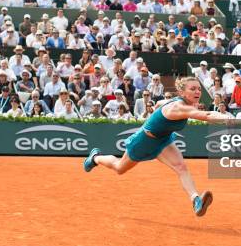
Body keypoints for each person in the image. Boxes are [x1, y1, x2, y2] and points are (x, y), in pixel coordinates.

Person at [83, 77, 233, 217]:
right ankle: (95, 158)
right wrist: (232, 119)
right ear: (182, 92)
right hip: (144, 142)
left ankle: (196, 200)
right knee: (119, 168)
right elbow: (206, 115)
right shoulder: (178, 107)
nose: (197, 92)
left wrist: (157, 109)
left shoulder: (180, 103)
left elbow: (160, 104)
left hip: (164, 140)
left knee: (181, 167)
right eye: (192, 89)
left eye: (199, 89)